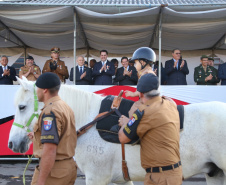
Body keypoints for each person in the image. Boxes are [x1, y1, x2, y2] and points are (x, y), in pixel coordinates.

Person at [118, 73, 182, 185]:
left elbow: (123, 138)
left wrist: (125, 123)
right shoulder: (171, 104)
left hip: (160, 177)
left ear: (141, 94)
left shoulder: (143, 111)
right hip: (173, 173)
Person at [28, 72, 77, 185]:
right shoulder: (64, 106)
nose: (36, 91)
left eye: (37, 87)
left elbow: (50, 150)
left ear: (44, 90)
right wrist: (37, 138)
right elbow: (63, 137)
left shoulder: (50, 111)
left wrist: (41, 181)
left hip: (55, 171)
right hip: (68, 166)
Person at [124, 47, 156, 118]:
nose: (135, 65)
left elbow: (142, 90)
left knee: (132, 113)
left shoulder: (147, 74)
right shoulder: (145, 73)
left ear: (142, 62)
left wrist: (132, 94)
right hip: (146, 101)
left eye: (135, 63)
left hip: (146, 103)